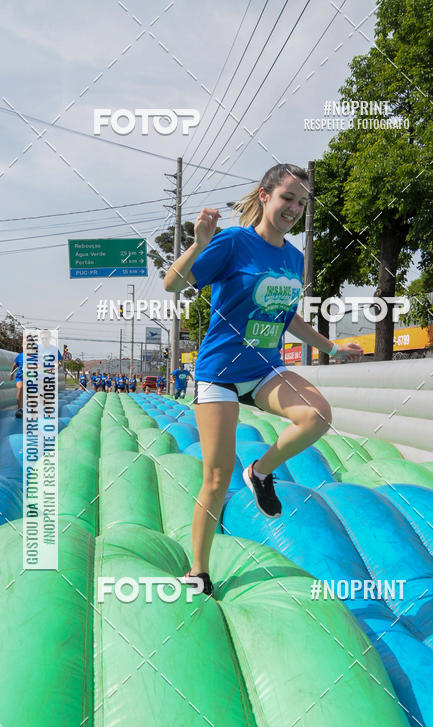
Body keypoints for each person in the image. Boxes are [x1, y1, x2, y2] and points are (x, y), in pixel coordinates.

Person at [164, 163, 363, 596]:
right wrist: (198, 245)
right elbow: (171, 283)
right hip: (218, 372)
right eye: (287, 198)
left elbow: (287, 314)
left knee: (317, 416)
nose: (293, 208)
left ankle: (260, 472)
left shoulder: (294, 258)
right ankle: (198, 569)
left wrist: (331, 349)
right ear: (265, 195)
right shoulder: (235, 242)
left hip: (264, 369)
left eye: (301, 202)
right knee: (216, 478)